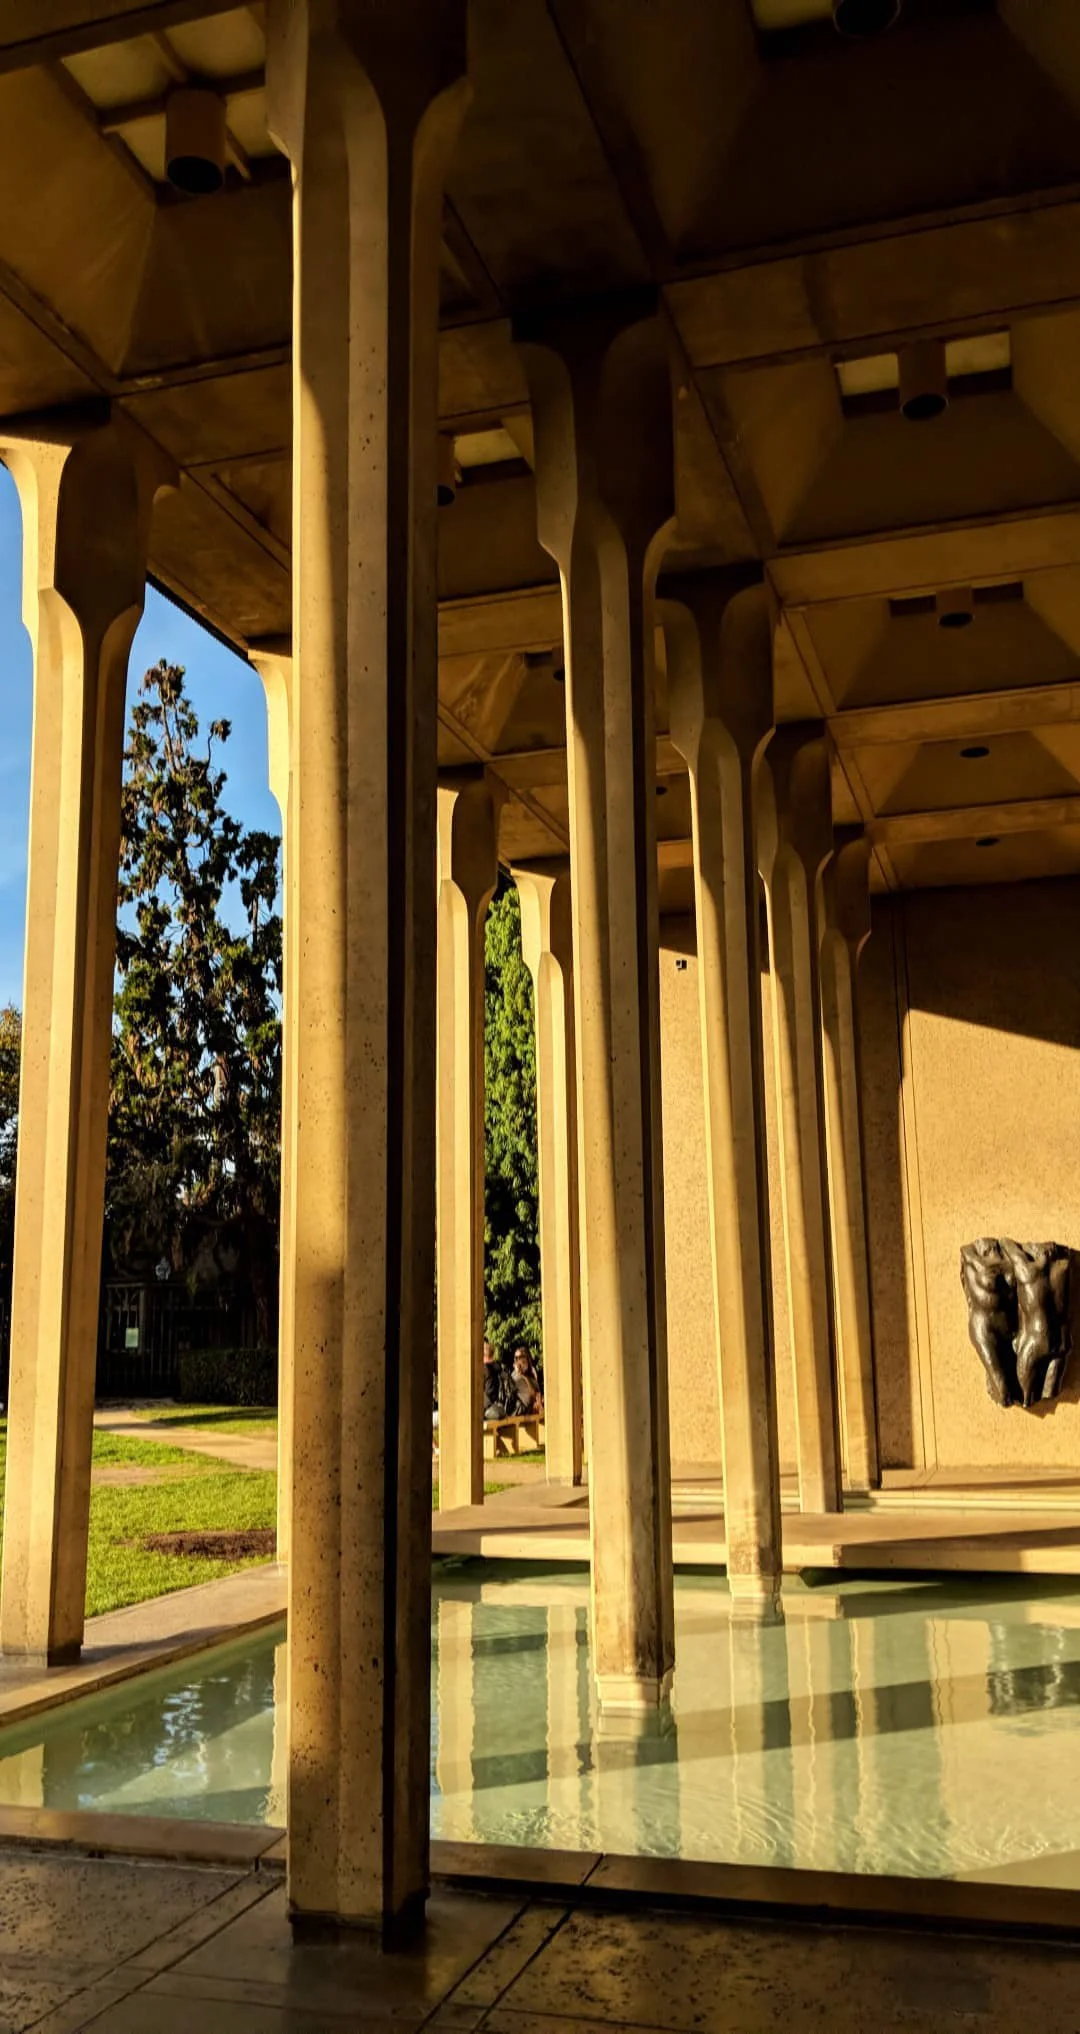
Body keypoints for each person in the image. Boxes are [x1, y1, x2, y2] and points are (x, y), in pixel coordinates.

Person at [509, 1347, 543, 1416]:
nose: (518, 1360)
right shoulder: (514, 1376)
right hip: (519, 1411)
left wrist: (539, 1404)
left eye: (521, 1357)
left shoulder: (531, 1375)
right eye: (516, 1358)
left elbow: (536, 1393)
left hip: (530, 1410)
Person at [483, 1339, 507, 1419]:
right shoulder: (499, 1368)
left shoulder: (485, 1369)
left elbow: (488, 1396)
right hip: (501, 1408)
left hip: (490, 1410)